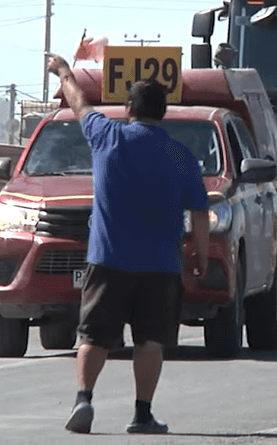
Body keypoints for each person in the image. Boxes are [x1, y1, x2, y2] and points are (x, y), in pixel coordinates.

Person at [46, 52, 210, 435]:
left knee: (94, 337)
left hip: (108, 260)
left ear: (128, 108)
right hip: (160, 264)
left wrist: (63, 70)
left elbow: (79, 101)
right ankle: (141, 413)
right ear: (164, 112)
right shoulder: (180, 154)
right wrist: (200, 258)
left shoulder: (107, 136)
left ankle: (83, 400)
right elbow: (200, 213)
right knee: (151, 341)